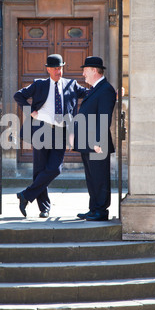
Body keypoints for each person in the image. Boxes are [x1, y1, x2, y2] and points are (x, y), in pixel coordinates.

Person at [14, 54, 87, 218]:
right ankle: (44, 208)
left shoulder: (71, 84)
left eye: (60, 67)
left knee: (55, 168)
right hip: (41, 130)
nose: (58, 71)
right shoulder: (39, 84)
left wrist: (111, 93)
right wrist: (30, 111)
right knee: (40, 170)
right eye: (54, 68)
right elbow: (19, 95)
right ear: (48, 69)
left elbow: (88, 93)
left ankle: (25, 195)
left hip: (61, 131)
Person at [74, 56, 116, 221]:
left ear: (93, 70)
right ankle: (94, 209)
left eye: (84, 70)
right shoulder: (96, 88)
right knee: (91, 177)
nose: (83, 74)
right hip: (87, 142)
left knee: (99, 177)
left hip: (97, 143)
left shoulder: (105, 89)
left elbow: (104, 117)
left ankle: (101, 210)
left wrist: (98, 142)